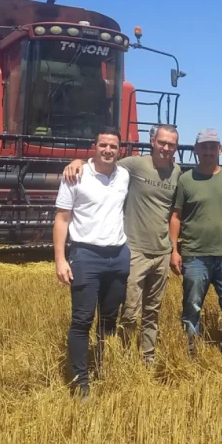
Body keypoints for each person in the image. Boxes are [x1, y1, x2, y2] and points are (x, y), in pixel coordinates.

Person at [61, 124, 181, 365]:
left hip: (161, 251)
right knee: (128, 312)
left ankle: (147, 358)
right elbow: (104, 161)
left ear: (176, 147)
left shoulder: (177, 172)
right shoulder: (134, 165)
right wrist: (78, 161)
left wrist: (174, 249)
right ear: (153, 142)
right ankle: (122, 357)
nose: (166, 147)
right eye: (162, 142)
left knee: (152, 312)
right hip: (134, 249)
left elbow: (175, 213)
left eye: (171, 144)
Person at [53, 126, 131, 399]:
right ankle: (80, 382)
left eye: (113, 146)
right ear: (93, 147)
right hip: (86, 255)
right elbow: (62, 218)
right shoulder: (76, 175)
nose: (108, 150)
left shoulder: (125, 175)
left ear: (120, 150)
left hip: (118, 256)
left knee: (110, 318)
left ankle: (102, 366)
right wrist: (61, 259)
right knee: (82, 320)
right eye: (103, 145)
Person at [169, 128, 222, 355]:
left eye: (212, 147)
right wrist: (174, 250)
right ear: (196, 150)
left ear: (220, 150)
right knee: (192, 308)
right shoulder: (186, 180)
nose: (208, 151)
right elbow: (175, 216)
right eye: (203, 147)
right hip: (195, 254)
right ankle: (191, 351)